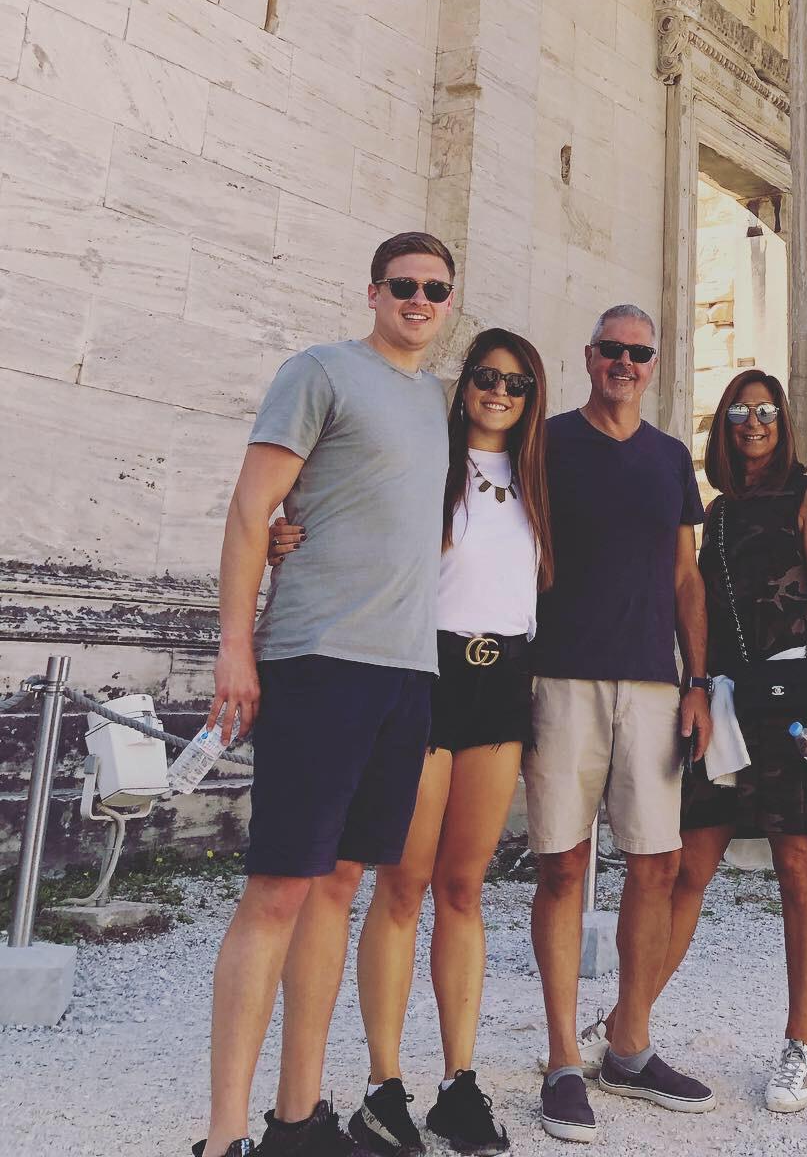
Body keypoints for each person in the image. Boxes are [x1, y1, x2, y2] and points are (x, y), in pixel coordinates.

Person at [195, 233, 456, 1157]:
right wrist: (237, 646)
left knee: (341, 886)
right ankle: (224, 1137)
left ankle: (295, 1120)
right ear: (375, 289)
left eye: (435, 289)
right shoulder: (320, 371)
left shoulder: (441, 402)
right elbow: (248, 508)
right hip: (318, 656)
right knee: (276, 890)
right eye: (404, 286)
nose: (419, 301)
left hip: (405, 670)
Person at [271, 330, 553, 1157]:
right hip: (424, 667)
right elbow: (353, 494)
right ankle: (382, 1087)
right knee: (404, 882)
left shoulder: (540, 479)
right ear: (464, 384)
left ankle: (460, 1083)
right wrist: (294, 527)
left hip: (504, 678)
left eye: (517, 382)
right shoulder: (430, 453)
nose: (499, 391)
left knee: (464, 889)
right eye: (487, 377)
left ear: (533, 397)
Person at [569, 369, 807, 1116]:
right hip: (725, 699)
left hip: (790, 698)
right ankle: (629, 1026)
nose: (752, 423)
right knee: (690, 865)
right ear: (722, 425)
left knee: (797, 863)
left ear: (782, 421)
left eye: (764, 411)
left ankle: (802, 1041)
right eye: (737, 413)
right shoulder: (717, 511)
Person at [526, 304, 715, 1144]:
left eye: (640, 353)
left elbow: (686, 577)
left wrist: (698, 681)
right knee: (563, 868)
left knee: (659, 865)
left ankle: (628, 1046)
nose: (626, 364)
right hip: (561, 674)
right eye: (613, 350)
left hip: (651, 682)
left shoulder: (673, 457)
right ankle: (567, 1058)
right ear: (590, 353)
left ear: (652, 364)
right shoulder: (548, 441)